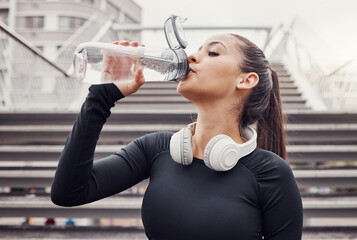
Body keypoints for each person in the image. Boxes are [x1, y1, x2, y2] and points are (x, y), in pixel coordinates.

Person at [51, 34, 303, 239]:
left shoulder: (271, 173)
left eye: (212, 52)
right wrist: (101, 96)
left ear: (246, 80)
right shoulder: (155, 150)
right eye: (198, 50)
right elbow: (68, 192)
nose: (191, 56)